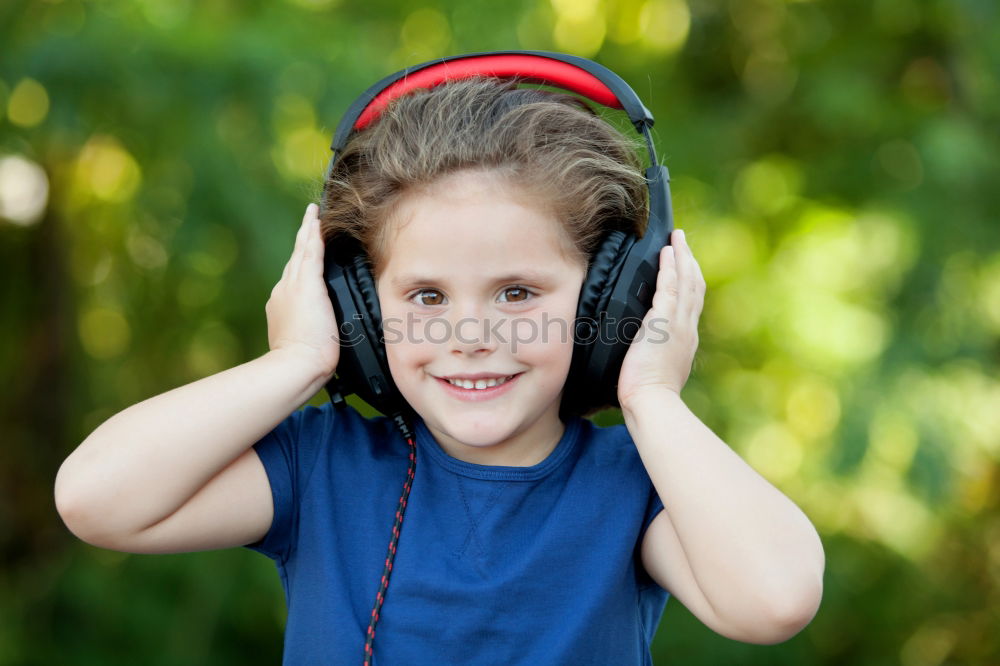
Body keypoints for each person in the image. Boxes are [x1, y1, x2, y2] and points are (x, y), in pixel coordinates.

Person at [54, 74, 825, 664]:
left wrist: (651, 396)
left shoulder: (640, 487)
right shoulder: (320, 467)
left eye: (518, 292)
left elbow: (775, 598)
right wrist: (296, 361)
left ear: (609, 302)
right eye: (425, 295)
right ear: (355, 305)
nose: (471, 334)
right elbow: (98, 499)